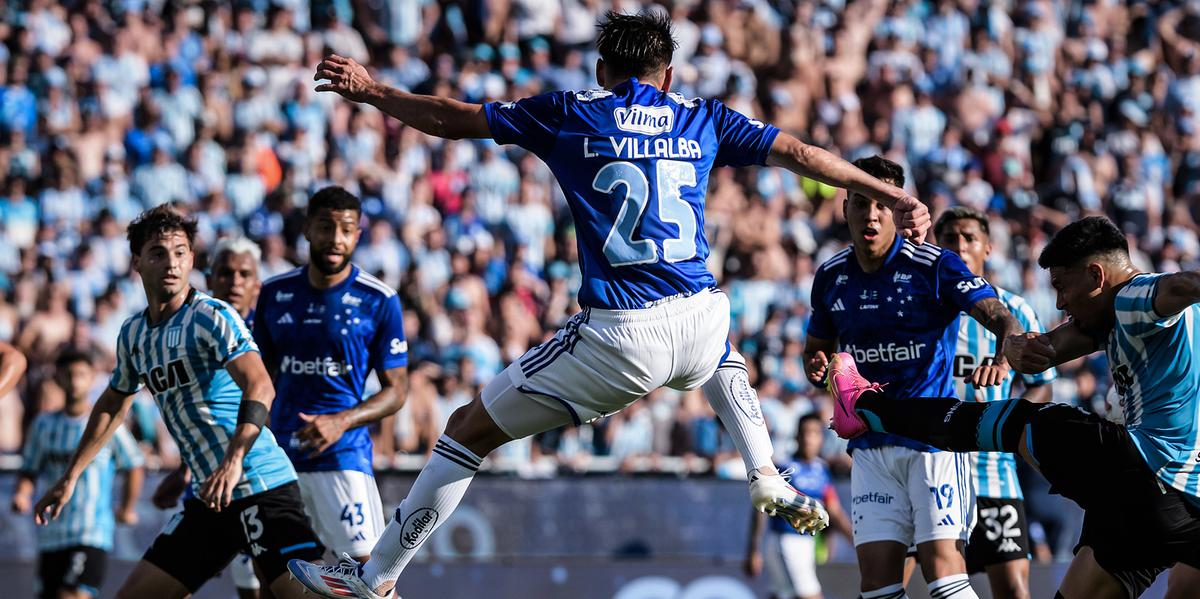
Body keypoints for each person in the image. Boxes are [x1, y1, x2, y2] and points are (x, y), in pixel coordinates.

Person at [290, 11, 931, 599]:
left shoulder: (573, 110)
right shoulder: (702, 114)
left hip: (621, 334)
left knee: (466, 430)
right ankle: (762, 466)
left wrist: (372, 92)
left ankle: (375, 576)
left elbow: (452, 118)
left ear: (602, 70)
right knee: (718, 351)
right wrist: (887, 192)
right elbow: (800, 155)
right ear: (669, 74)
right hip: (701, 314)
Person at [825, 216, 1200, 599]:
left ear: (1096, 276)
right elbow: (1048, 350)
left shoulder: (1135, 295)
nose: (1059, 302)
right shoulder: (1112, 318)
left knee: (1018, 420)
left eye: (1061, 286)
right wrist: (1014, 351)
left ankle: (867, 406)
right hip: (1181, 507)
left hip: (1144, 471)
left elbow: (1181, 285)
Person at [32, 205, 325, 599]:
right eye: (158, 253)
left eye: (180, 252)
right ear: (137, 262)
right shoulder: (133, 333)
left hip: (259, 483)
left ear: (191, 258)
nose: (171, 263)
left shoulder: (212, 315)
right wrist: (70, 476)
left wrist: (234, 459)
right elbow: (112, 404)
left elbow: (261, 386)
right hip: (211, 498)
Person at [802, 157, 1021, 599]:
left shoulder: (934, 265)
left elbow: (1001, 316)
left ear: (899, 210)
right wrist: (817, 364)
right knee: (877, 588)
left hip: (932, 443)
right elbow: (817, 348)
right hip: (869, 446)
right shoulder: (830, 276)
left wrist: (1004, 355)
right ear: (844, 209)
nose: (871, 214)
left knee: (944, 580)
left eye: (883, 203)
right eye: (861, 203)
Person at [254, 186, 409, 563]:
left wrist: (341, 421)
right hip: (279, 461)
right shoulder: (274, 293)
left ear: (358, 235)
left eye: (346, 229)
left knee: (367, 576)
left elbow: (397, 391)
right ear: (307, 229)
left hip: (341, 457)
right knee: (276, 580)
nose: (335, 239)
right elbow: (259, 378)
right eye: (326, 227)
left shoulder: (379, 299)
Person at [934, 207, 1056, 599]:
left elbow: (1043, 386)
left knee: (1015, 592)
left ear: (987, 247)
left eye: (969, 237)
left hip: (994, 475)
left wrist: (1010, 419)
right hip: (931, 469)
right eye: (950, 238)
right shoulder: (923, 308)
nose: (959, 246)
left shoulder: (1015, 309)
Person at [151, 236, 267, 599]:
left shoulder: (271, 334)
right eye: (225, 273)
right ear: (210, 278)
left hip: (263, 478)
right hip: (210, 480)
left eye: (243, 274)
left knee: (263, 589)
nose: (234, 282)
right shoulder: (195, 329)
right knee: (172, 583)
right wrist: (187, 468)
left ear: (256, 285)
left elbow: (268, 400)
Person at [13, 349, 144, 599]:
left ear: (92, 377)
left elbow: (134, 463)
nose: (74, 381)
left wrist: (127, 507)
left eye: (81, 375)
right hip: (51, 535)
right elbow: (29, 468)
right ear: (58, 378)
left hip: (90, 531)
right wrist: (22, 494)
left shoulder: (106, 423)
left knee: (72, 596)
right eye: (68, 375)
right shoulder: (43, 425)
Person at [745, 413, 853, 599]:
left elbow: (833, 509)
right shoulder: (784, 468)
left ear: (821, 438)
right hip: (786, 540)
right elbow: (761, 508)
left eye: (814, 433)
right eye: (804, 433)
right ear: (796, 437)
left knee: (782, 594)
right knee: (810, 595)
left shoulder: (822, 470)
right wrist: (754, 548)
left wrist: (854, 540)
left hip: (807, 543)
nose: (808, 439)